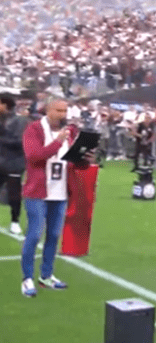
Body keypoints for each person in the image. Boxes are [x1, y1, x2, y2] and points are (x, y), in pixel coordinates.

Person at [20, 97, 95, 297]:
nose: (62, 114)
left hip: (60, 191)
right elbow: (34, 156)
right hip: (38, 191)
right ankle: (27, 278)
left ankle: (46, 275)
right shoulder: (34, 129)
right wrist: (57, 141)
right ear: (48, 110)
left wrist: (84, 159)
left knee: (53, 235)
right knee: (35, 234)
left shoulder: (70, 133)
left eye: (65, 110)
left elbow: (72, 163)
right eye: (59, 110)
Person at [0, 94, 29, 235]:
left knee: (14, 194)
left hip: (14, 162)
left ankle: (15, 222)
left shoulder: (19, 121)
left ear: (5, 105)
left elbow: (20, 142)